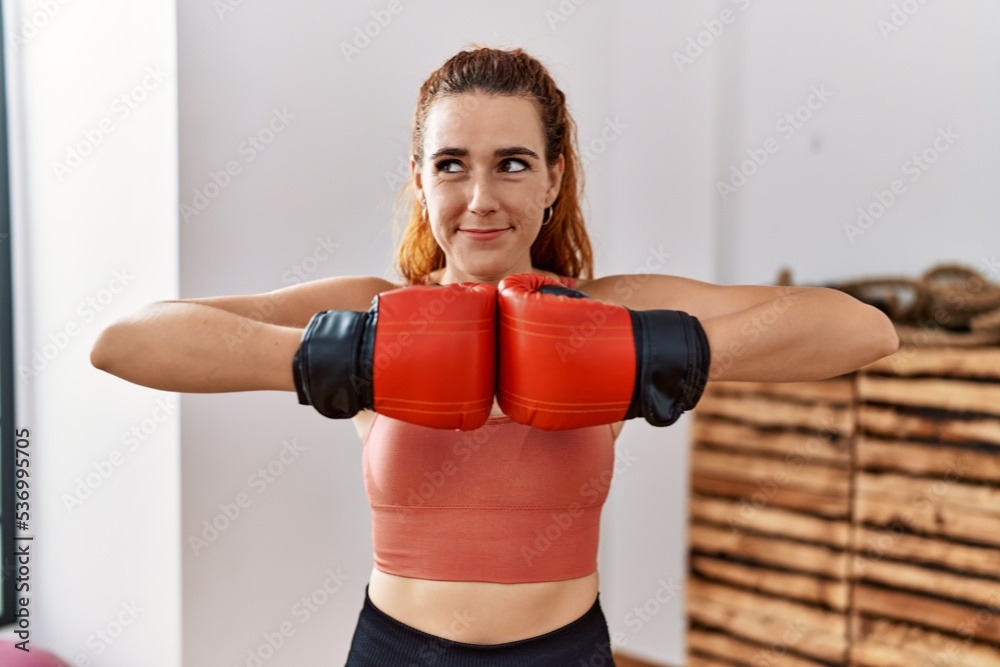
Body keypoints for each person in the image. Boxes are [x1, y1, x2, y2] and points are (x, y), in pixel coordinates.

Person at [91, 47, 899, 666]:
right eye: (452, 165)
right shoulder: (375, 305)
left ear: (553, 178)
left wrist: (651, 352)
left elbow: (862, 329)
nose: (481, 199)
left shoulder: (604, 308)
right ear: (420, 180)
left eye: (512, 163)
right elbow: (125, 341)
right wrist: (354, 357)